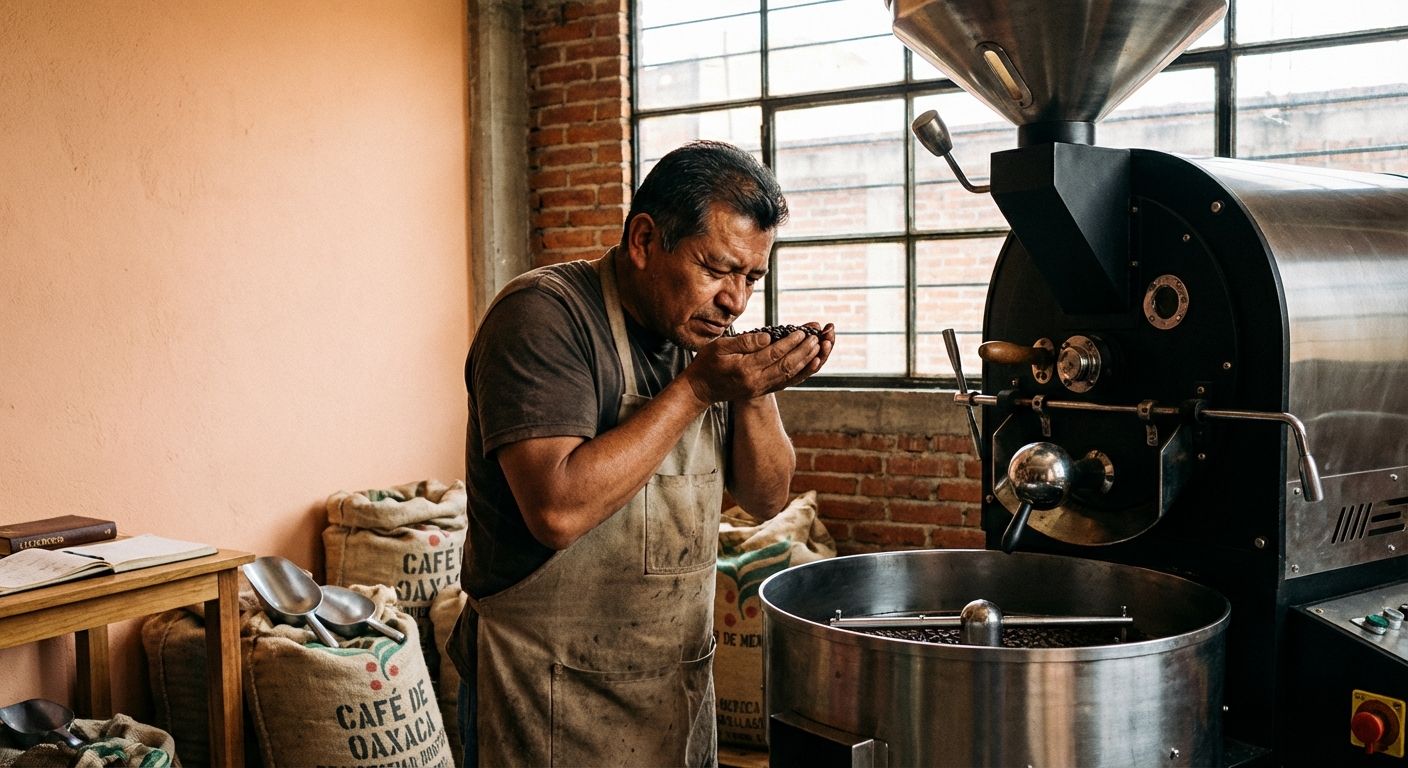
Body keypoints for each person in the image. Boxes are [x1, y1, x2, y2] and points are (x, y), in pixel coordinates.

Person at [446, 140, 835, 767]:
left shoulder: (702, 331)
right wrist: (700, 387)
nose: (735, 300)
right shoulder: (544, 317)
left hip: (670, 695)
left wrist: (757, 386)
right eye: (716, 269)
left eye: (751, 277)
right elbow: (557, 511)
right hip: (545, 696)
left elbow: (765, 498)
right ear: (645, 241)